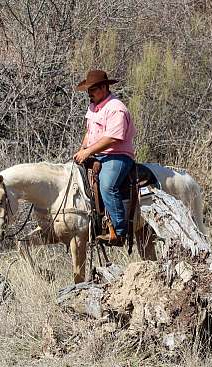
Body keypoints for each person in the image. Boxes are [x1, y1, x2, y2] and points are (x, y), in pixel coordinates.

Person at [73, 69, 136, 246]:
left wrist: (88, 151)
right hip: (98, 153)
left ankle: (119, 231)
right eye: (88, 89)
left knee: (107, 185)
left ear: (103, 88)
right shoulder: (94, 106)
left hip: (117, 155)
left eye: (92, 89)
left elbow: (113, 138)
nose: (89, 93)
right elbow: (90, 132)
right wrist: (82, 149)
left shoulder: (116, 108)